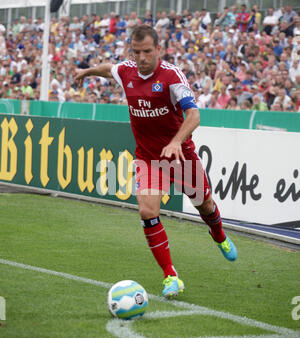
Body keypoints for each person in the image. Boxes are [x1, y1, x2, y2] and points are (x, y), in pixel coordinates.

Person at [80, 26, 240, 299]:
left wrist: (177, 141)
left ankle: (219, 235)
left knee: (205, 204)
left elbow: (194, 116)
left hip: (180, 157)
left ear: (158, 49)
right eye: (137, 52)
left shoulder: (171, 77)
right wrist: (87, 71)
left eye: (147, 52)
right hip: (148, 158)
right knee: (147, 211)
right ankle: (170, 276)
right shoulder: (127, 71)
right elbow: (111, 69)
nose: (142, 58)